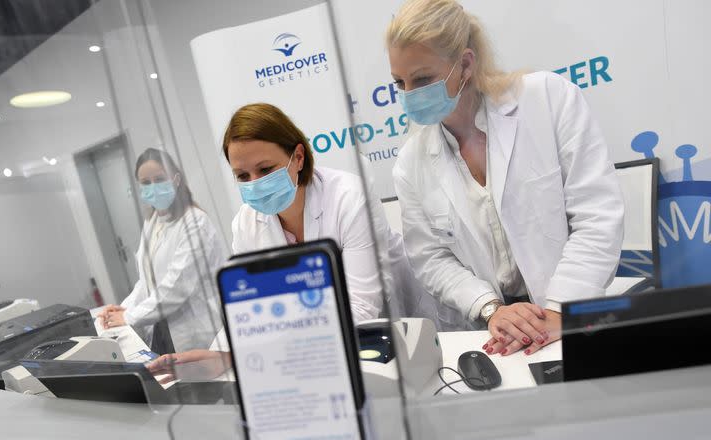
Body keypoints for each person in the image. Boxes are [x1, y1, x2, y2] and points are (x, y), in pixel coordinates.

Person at [386, 0, 624, 356]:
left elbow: (597, 215)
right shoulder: (411, 162)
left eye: (422, 79)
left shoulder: (547, 99)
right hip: (495, 331)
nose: (409, 95)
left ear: (465, 64)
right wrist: (491, 308)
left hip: (570, 311)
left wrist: (558, 310)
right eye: (399, 83)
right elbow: (431, 258)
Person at [146, 103, 423, 377]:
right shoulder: (246, 224)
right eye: (243, 176)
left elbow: (360, 306)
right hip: (308, 356)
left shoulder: (348, 197)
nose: (254, 182)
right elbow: (247, 309)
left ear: (298, 157)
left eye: (265, 170)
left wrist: (263, 349)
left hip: (385, 339)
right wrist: (218, 353)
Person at [98, 148, 226, 354]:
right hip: (161, 326)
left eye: (159, 179)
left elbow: (176, 286)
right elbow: (146, 280)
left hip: (195, 332)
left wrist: (130, 316)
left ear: (176, 180)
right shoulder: (153, 221)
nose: (153, 187)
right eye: (146, 183)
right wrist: (124, 308)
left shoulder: (195, 222)